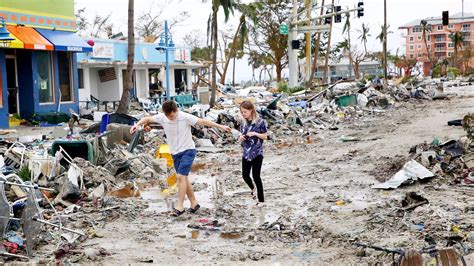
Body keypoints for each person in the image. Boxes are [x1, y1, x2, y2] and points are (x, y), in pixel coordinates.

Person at [130, 100, 231, 216]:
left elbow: (203, 121)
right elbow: (147, 119)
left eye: (172, 115)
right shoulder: (163, 117)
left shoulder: (185, 117)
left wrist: (221, 126)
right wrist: (136, 125)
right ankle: (194, 203)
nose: (170, 118)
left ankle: (180, 206)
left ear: (176, 111)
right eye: (168, 116)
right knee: (183, 179)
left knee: (180, 177)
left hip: (188, 151)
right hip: (175, 153)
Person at [238, 101, 268, 207]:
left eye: (245, 112)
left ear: (251, 110)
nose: (243, 114)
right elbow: (241, 136)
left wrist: (255, 134)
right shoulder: (243, 122)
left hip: (257, 152)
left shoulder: (260, 122)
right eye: (241, 112)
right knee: (245, 175)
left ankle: (261, 201)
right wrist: (241, 138)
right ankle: (253, 189)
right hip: (246, 152)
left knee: (256, 176)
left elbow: (265, 136)